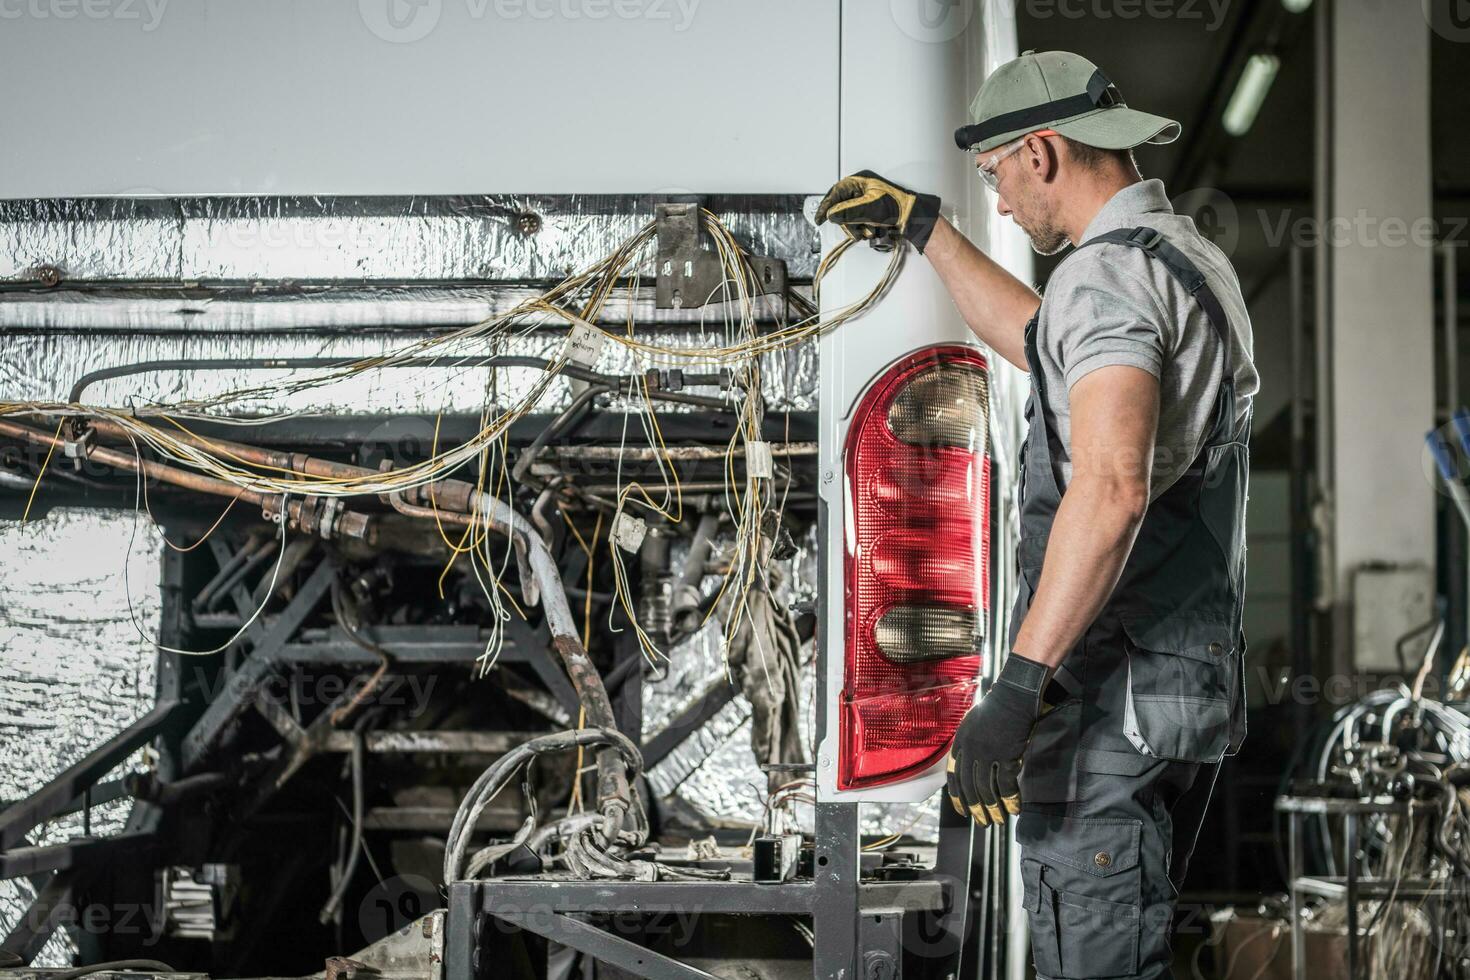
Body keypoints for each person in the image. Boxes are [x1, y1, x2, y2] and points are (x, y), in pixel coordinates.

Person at [816, 50, 1258, 979]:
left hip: (1108, 701)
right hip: (1177, 694)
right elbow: (1038, 339)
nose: (1004, 204)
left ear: (1042, 152)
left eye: (996, 179)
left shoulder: (1107, 278)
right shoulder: (1184, 260)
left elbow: (1110, 488)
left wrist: (1018, 687)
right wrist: (929, 232)